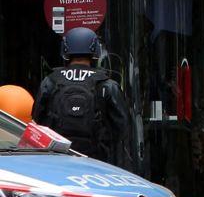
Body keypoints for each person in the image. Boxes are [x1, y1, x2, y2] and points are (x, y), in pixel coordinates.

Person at [33, 27, 132, 167]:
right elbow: (123, 128)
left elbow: (37, 121)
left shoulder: (51, 81)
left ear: (65, 49)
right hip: (97, 162)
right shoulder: (106, 84)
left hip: (58, 161)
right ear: (95, 50)